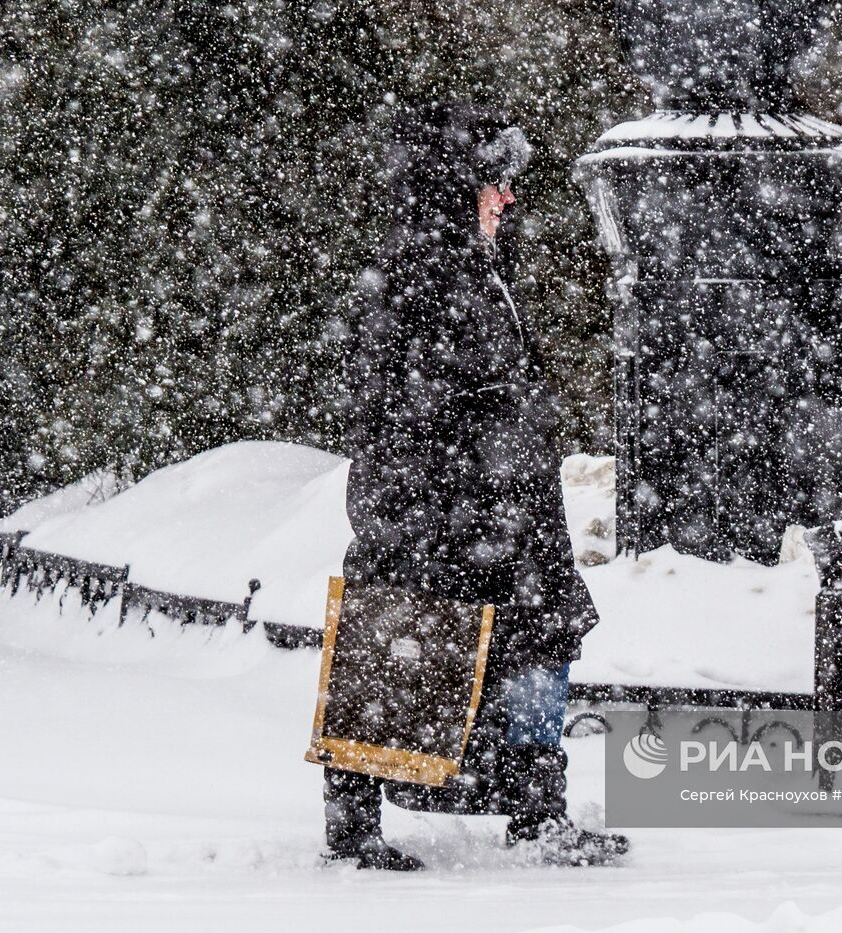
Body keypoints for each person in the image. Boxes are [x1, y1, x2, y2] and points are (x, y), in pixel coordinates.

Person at [327, 102, 630, 870]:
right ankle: (356, 824)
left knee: (538, 635)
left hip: (500, 512)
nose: (508, 197)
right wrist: (470, 487)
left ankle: (537, 811)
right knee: (394, 642)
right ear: (453, 189)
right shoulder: (424, 281)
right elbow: (403, 410)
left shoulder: (473, 270)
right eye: (495, 183)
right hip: (445, 511)